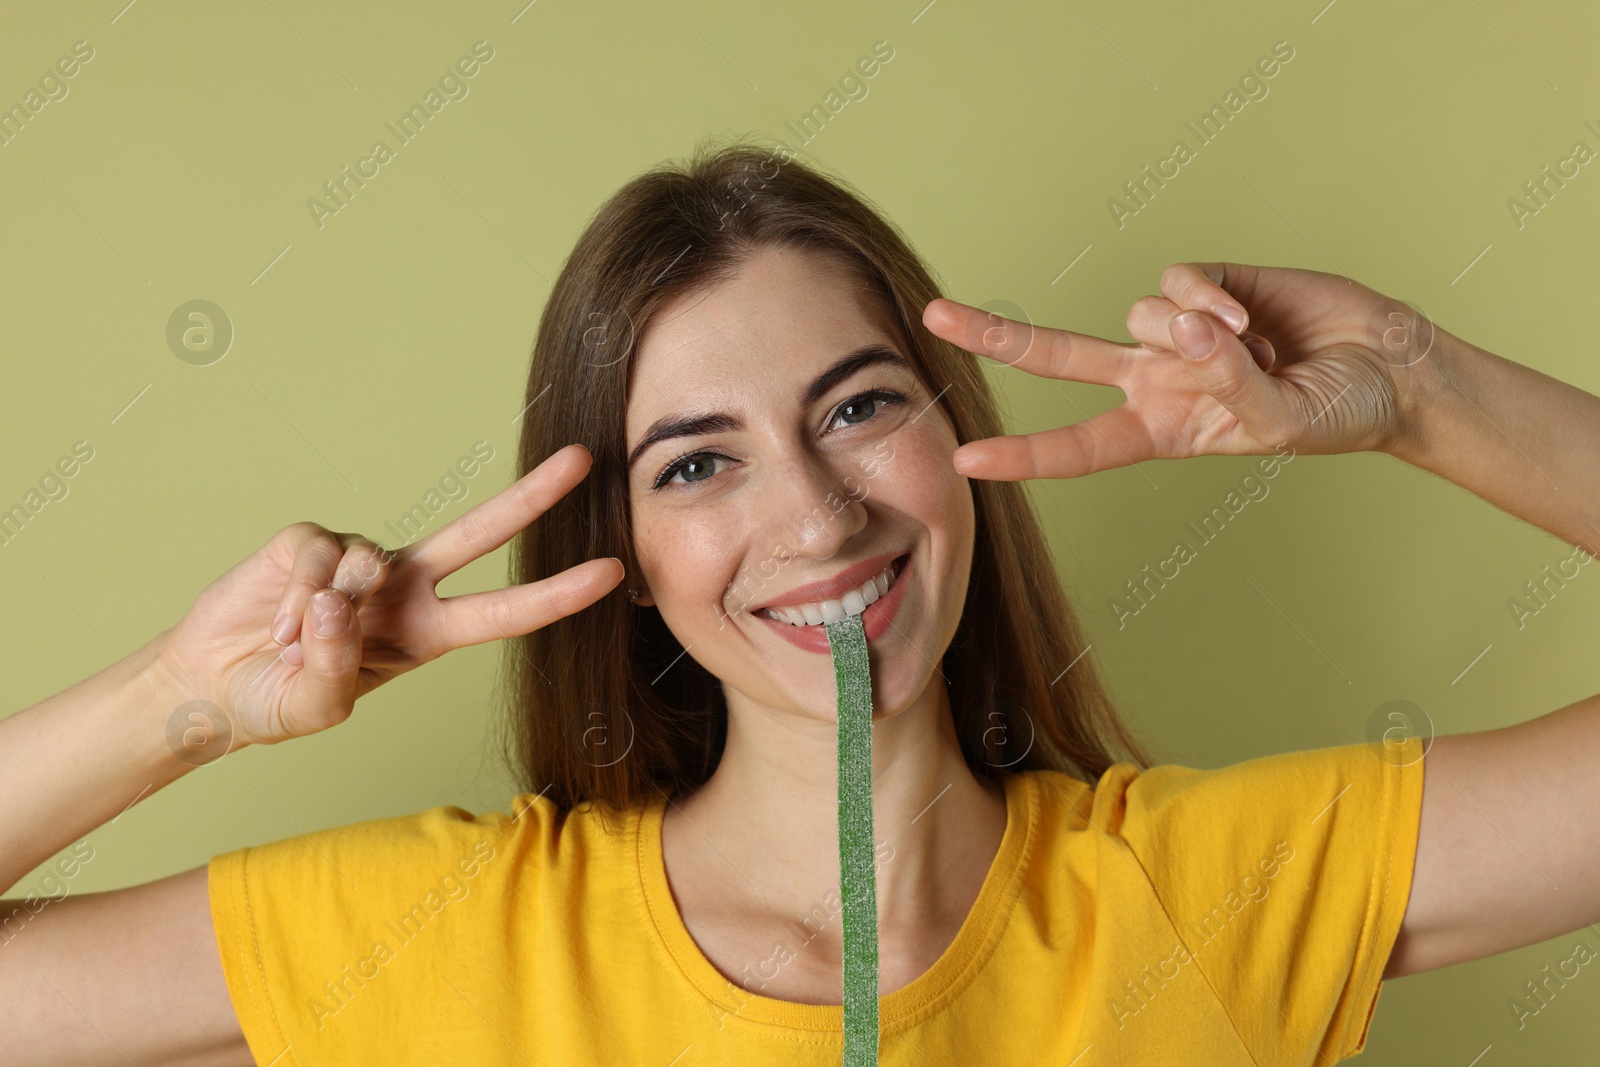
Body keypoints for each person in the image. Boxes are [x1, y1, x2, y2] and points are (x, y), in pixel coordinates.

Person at [2, 137, 1597, 1066]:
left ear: (959, 432)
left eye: (857, 409)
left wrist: (1415, 385)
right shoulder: (445, 937)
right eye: (698, 465)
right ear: (616, 551)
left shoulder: (1217, 895)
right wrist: (182, 701)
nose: (815, 514)